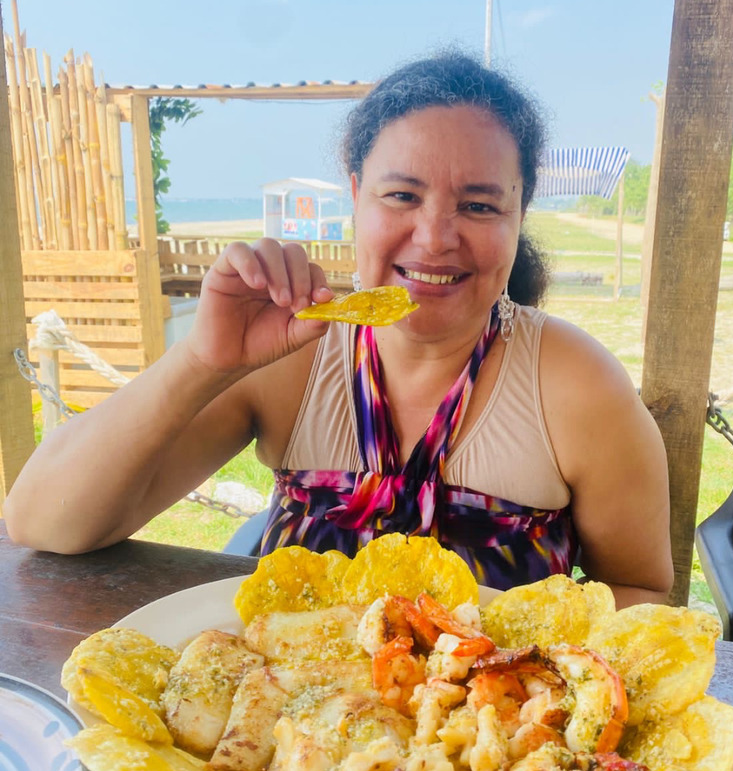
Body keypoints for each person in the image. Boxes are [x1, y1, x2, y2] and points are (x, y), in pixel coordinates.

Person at [4, 52, 673, 608]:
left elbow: (642, 586)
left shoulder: (577, 386)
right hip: (288, 723)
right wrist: (203, 362)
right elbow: (43, 523)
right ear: (355, 195)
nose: (435, 238)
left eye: (478, 205)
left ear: (519, 215)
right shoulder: (293, 355)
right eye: (402, 195)